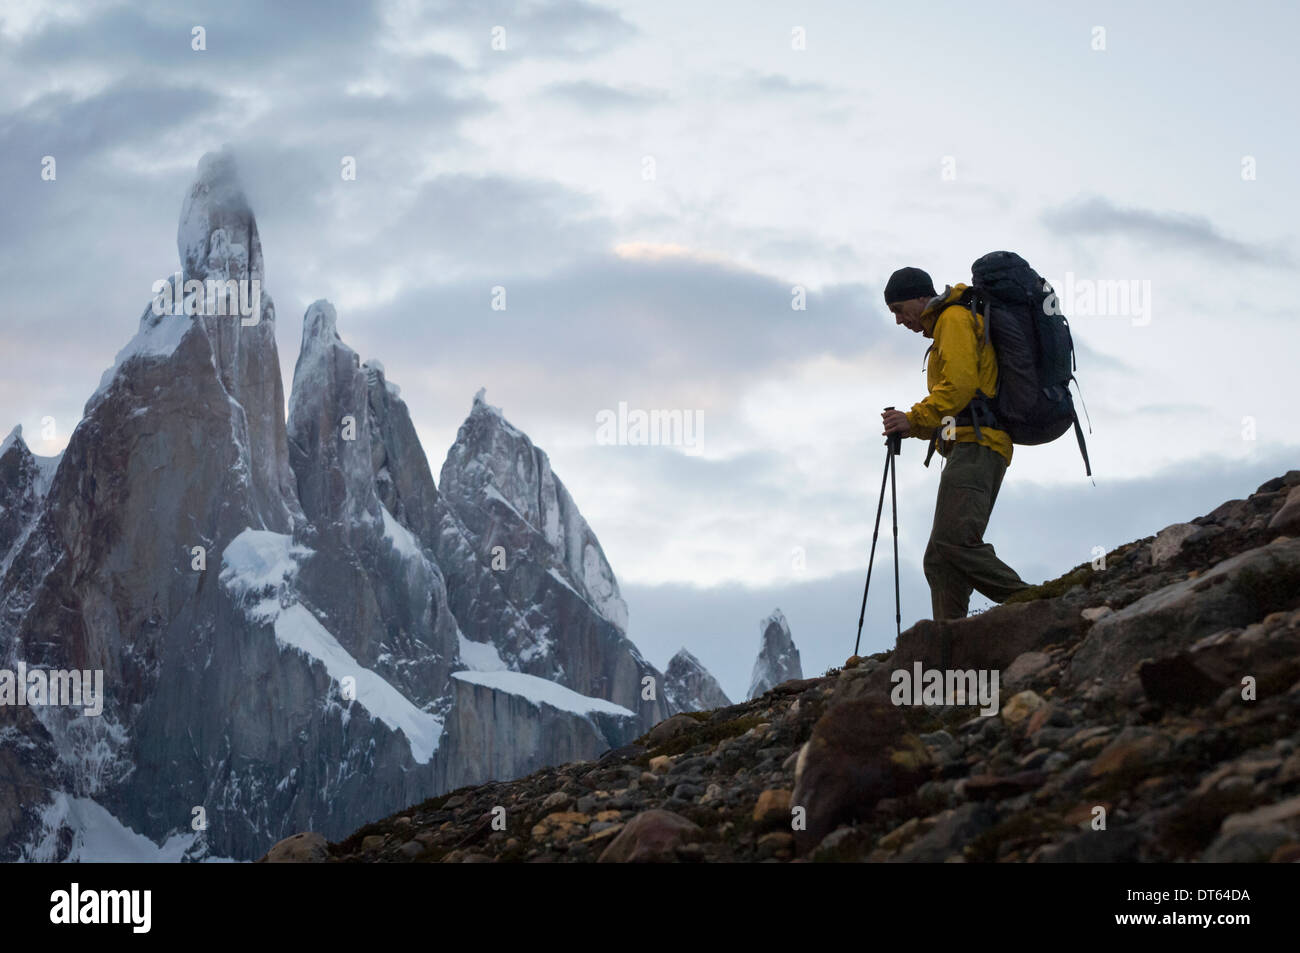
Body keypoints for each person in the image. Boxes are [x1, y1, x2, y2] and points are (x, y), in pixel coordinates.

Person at [879, 266, 1031, 621]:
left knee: (954, 542)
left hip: (979, 445)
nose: (900, 321)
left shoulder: (953, 319)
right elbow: (960, 397)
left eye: (900, 310)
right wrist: (912, 427)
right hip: (970, 444)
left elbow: (961, 386)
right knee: (939, 558)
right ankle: (950, 642)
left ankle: (1038, 603)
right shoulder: (950, 323)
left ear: (921, 298)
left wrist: (913, 418)